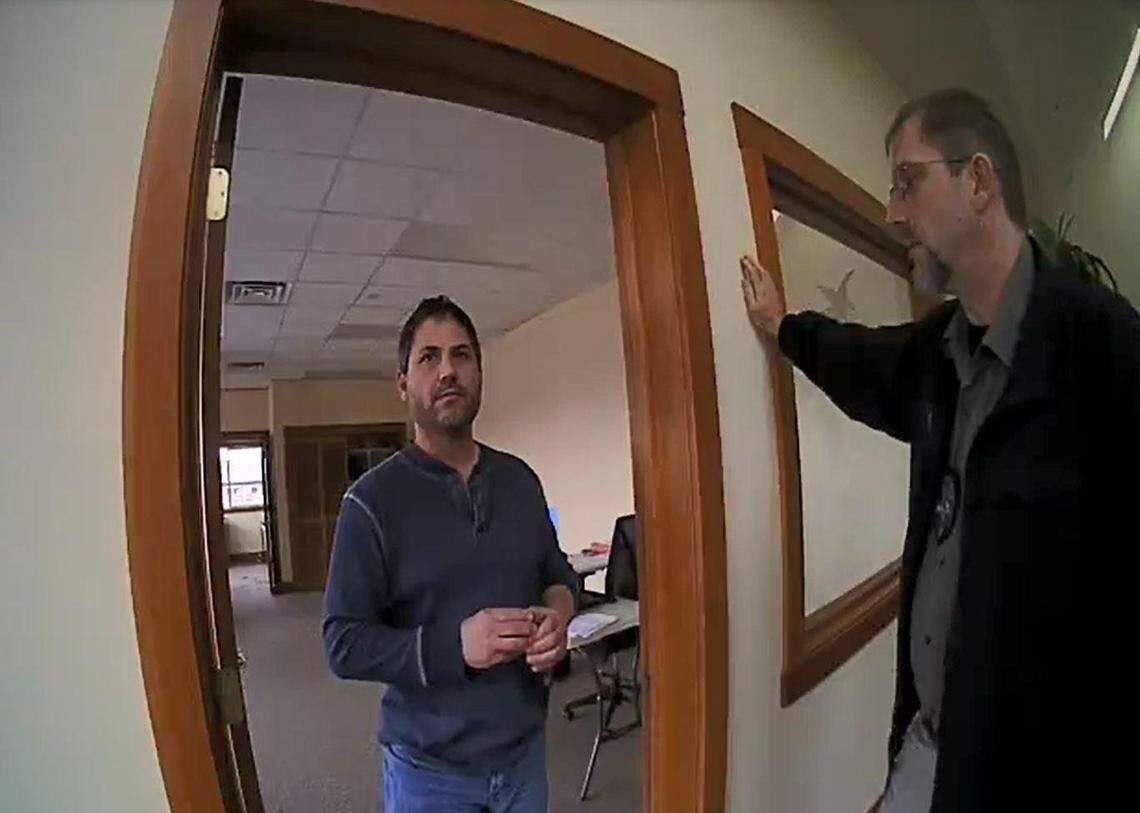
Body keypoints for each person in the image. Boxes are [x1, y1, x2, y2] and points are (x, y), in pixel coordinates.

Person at [740, 89, 1138, 811]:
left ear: (978, 181)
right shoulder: (935, 356)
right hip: (927, 751)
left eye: (906, 181)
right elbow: (856, 358)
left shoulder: (1103, 347)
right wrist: (783, 326)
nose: (893, 212)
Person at [322, 295, 579, 812]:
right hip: (429, 774)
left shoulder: (519, 481)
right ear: (403, 385)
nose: (448, 371)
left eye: (462, 356)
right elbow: (343, 643)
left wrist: (558, 614)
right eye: (429, 358)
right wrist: (455, 646)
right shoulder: (370, 503)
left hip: (524, 758)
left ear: (479, 372)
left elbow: (558, 574)